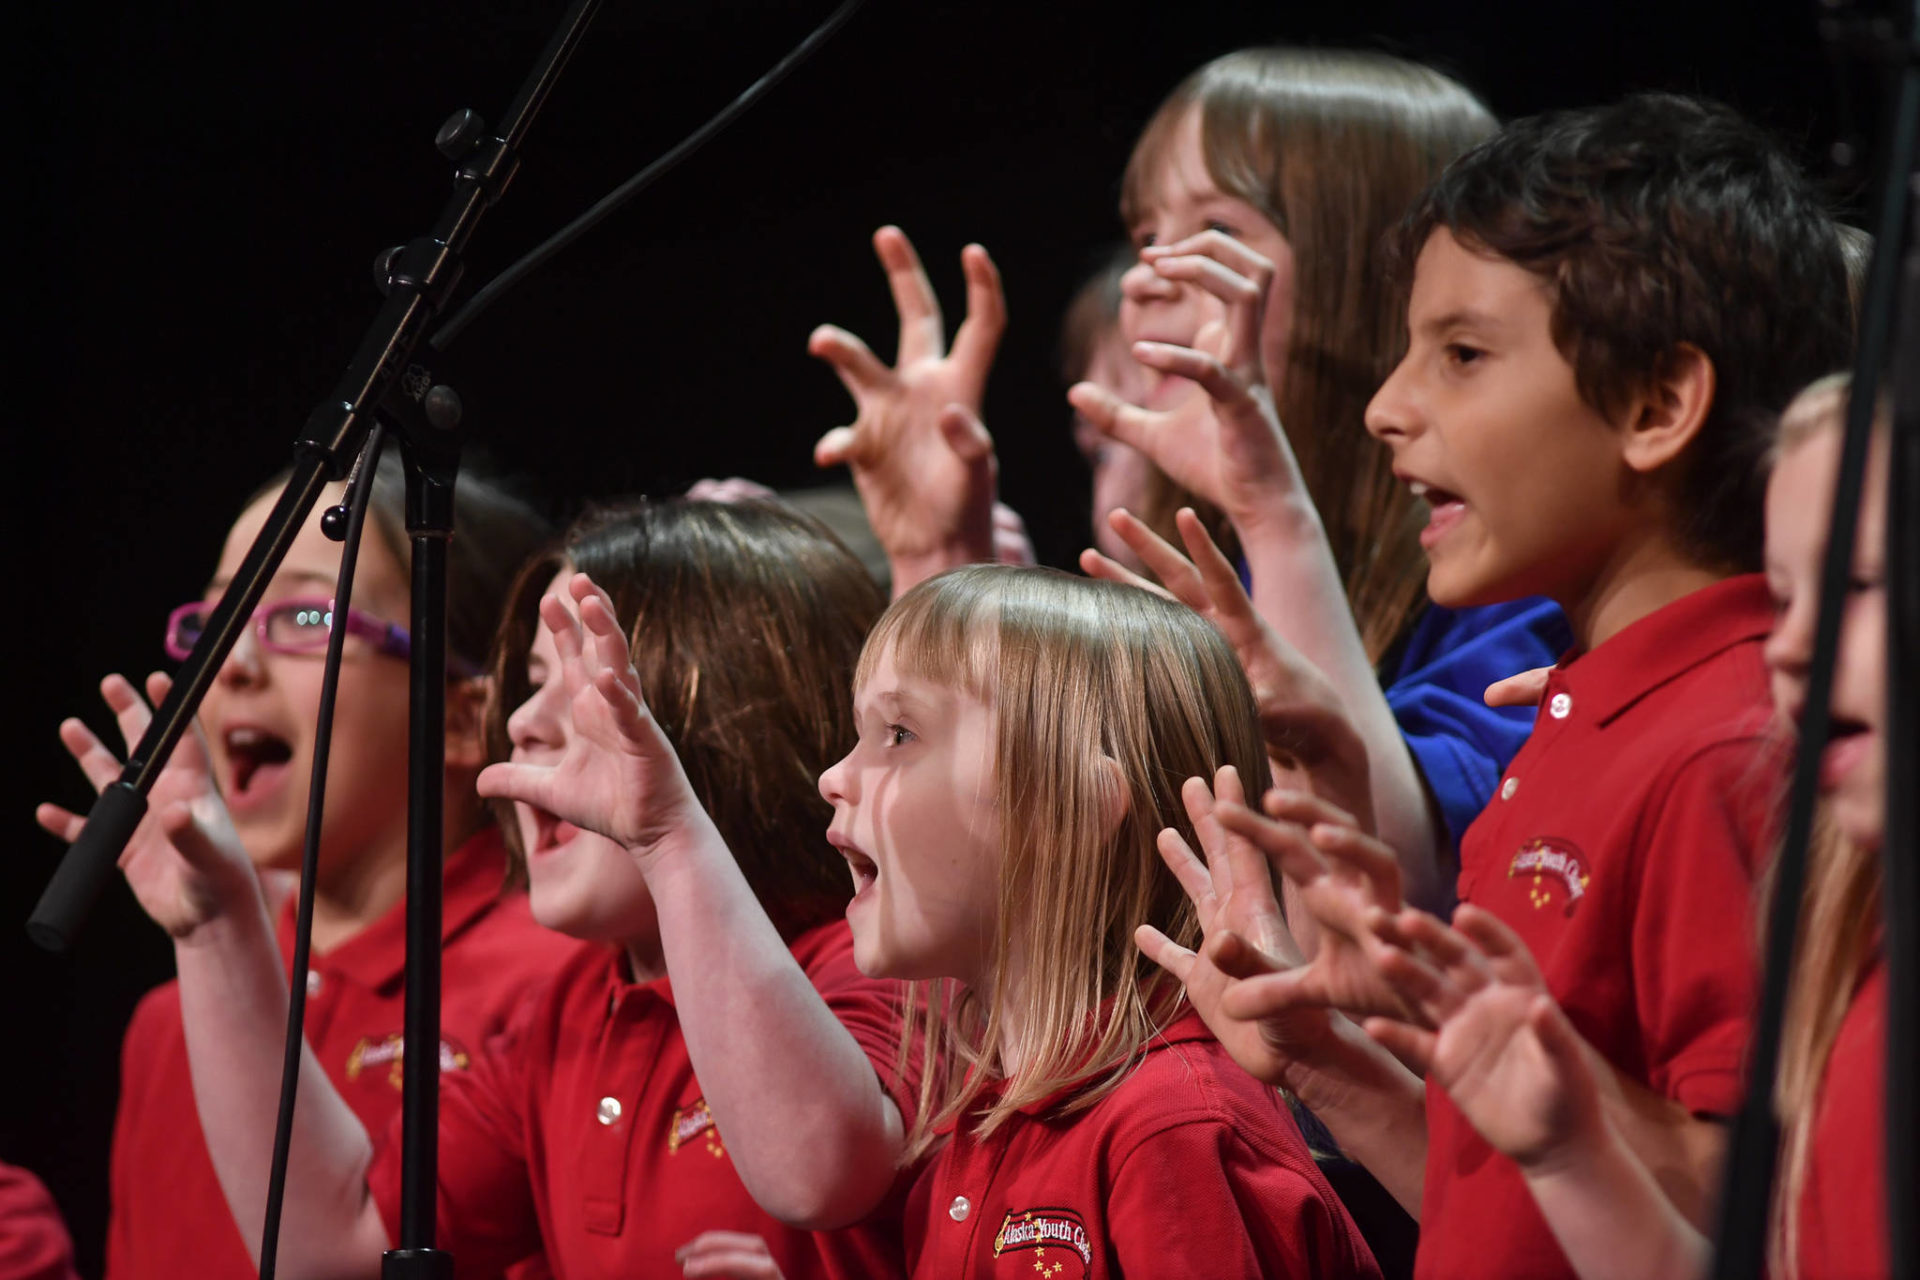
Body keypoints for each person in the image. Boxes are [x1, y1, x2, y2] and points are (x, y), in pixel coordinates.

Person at [1139, 93, 1855, 1280]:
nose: (1387, 405)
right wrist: (1326, 1052)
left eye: (1461, 355)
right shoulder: (1575, 715)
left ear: (1656, 406)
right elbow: (1511, 1196)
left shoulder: (1727, 747)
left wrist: (1477, 1033)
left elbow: (1775, 1212)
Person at [67, 498, 914, 1279]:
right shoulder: (571, 1015)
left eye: (579, 684)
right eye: (527, 684)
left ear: (735, 711)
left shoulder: (873, 959)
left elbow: (818, 1175)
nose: (524, 722)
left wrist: (667, 835)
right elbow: (336, 1254)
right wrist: (216, 930)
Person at [489, 559, 1383, 1278]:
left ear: (1070, 803)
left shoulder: (1173, 1130)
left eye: (898, 735)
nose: (833, 777)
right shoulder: (988, 1121)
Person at [1332, 374, 1893, 1280]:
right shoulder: (1863, 969)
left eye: (1858, 585)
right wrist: (1568, 1150)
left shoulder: (1715, 752)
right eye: (1785, 598)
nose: (1790, 646)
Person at [37, 454, 576, 1280]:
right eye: (218, 622)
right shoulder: (167, 1026)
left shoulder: (562, 988)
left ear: (469, 717)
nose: (234, 667)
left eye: (307, 620)